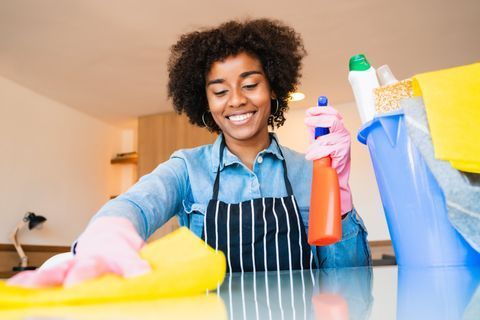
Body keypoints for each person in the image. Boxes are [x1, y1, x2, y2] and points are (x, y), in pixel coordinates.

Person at [8, 18, 371, 288]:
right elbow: (136, 204)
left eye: (250, 84)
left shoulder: (308, 170)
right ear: (205, 102)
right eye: (219, 90)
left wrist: (338, 195)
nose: (237, 100)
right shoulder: (186, 168)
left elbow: (350, 283)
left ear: (272, 88)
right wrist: (108, 232)